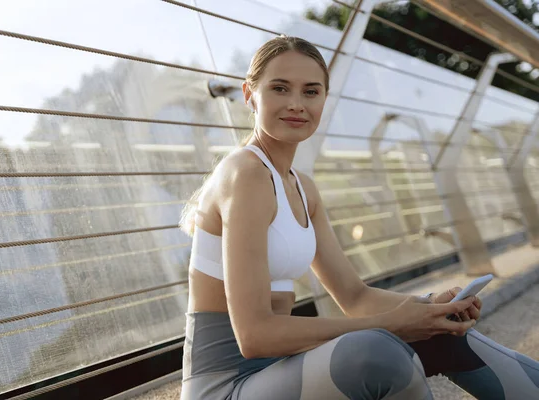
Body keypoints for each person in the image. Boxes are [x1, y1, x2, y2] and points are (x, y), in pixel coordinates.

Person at [178, 35, 539, 399]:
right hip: (226, 387)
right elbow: (254, 337)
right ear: (249, 95)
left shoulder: (302, 187)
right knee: (376, 352)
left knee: (439, 331)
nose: (296, 104)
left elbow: (354, 296)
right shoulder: (245, 174)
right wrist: (392, 325)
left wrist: (429, 306)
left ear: (324, 99)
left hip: (280, 370)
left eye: (311, 92)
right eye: (280, 88)